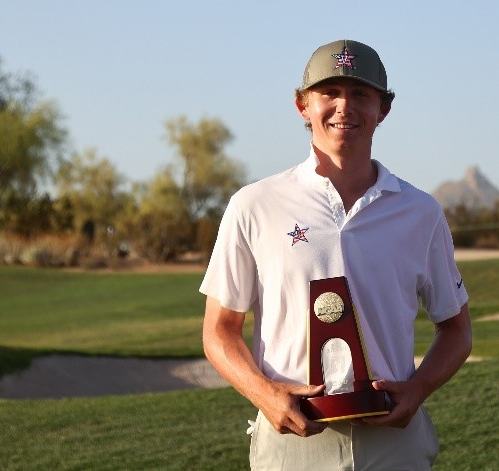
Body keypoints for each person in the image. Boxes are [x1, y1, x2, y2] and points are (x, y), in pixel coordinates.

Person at [201, 39, 472, 470]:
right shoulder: (255, 204)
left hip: (392, 441)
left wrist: (418, 389)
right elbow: (219, 330)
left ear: (383, 109)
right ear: (302, 105)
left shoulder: (420, 212)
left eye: (360, 94)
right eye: (329, 93)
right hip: (293, 441)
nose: (344, 107)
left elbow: (457, 329)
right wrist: (264, 394)